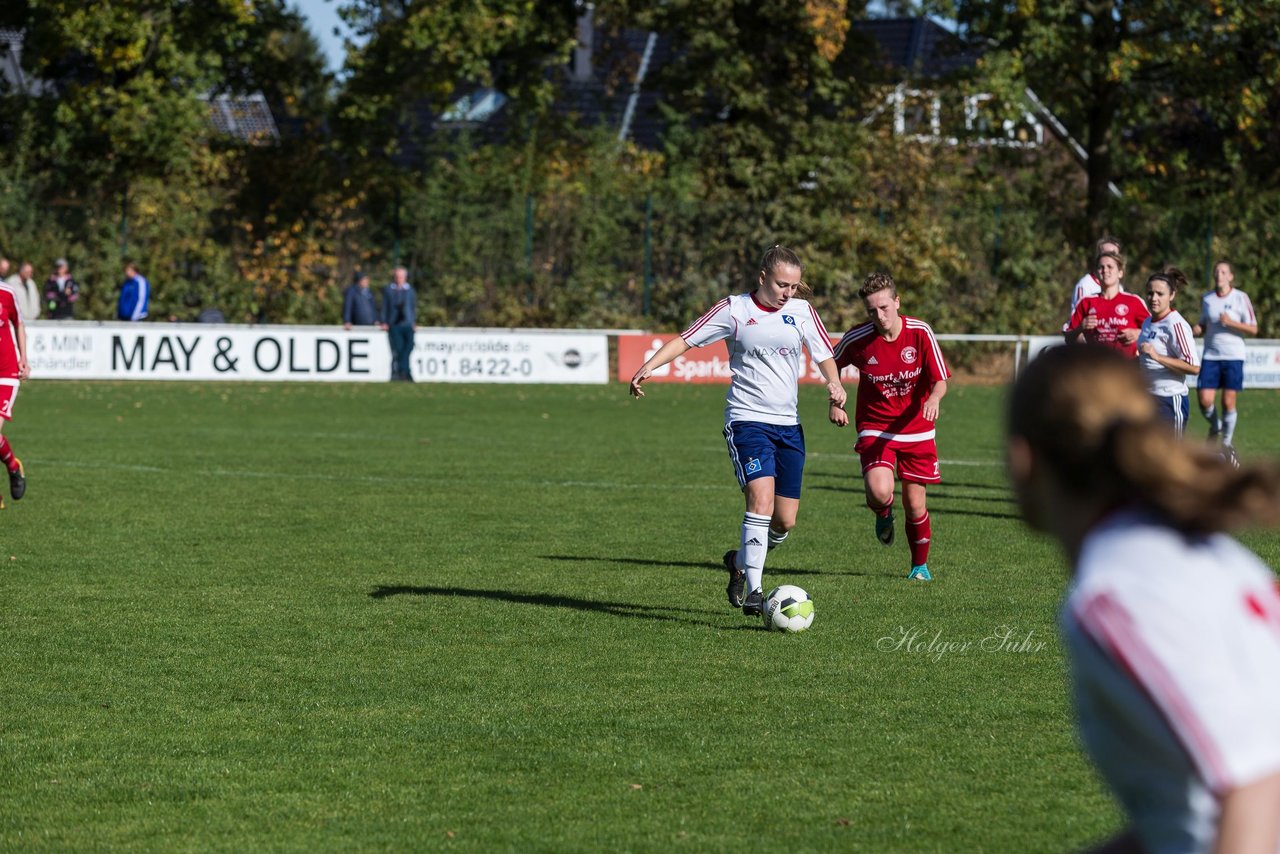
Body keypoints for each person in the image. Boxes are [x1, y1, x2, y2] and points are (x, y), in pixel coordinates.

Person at [1006, 344, 1280, 854]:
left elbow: (1259, 784)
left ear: (1024, 460)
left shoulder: (1116, 596)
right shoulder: (1186, 554)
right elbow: (1185, 813)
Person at [629, 245, 847, 616]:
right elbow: (686, 338)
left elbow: (824, 353)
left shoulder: (802, 311)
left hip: (789, 426)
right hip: (747, 421)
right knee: (760, 500)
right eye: (781, 285)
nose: (787, 293)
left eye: (794, 287)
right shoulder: (734, 309)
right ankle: (757, 593)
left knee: (785, 520)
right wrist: (648, 366)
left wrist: (835, 385)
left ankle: (739, 562)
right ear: (762, 278)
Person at [831, 272, 950, 582]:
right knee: (880, 491)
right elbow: (831, 363)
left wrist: (935, 398)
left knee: (914, 504)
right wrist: (835, 399)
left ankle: (919, 567)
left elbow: (940, 379)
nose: (879, 316)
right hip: (876, 427)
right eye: (872, 310)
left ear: (897, 302)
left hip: (917, 429)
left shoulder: (920, 333)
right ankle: (883, 513)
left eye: (884, 307)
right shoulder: (858, 339)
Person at [1192, 260, 1257, 456]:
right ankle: (1216, 426)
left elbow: (1253, 328)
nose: (1219, 275)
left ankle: (1226, 443)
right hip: (1211, 355)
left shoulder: (1240, 298)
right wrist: (1196, 329)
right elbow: (1204, 323)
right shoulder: (1207, 299)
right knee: (1204, 400)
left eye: (1223, 272)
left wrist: (1231, 322)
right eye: (1216, 271)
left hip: (1233, 356)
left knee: (1228, 402)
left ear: (1231, 277)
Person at [1135, 268, 1199, 436]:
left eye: (1159, 294)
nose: (1153, 298)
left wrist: (1157, 357)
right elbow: (1145, 358)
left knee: (1170, 458)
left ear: (1171, 295)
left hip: (1169, 400)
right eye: (1150, 293)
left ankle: (1222, 458)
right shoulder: (1148, 322)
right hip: (1147, 399)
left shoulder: (1176, 325)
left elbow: (1193, 366)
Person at [1064, 249, 1149, 356]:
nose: (1105, 270)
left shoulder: (1133, 301)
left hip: (1127, 367)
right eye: (1101, 267)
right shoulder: (1086, 302)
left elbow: (1154, 331)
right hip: (1097, 367)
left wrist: (1138, 333)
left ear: (1120, 273)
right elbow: (1068, 339)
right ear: (1096, 272)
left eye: (1110, 267)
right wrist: (1081, 327)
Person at [0, 276, 30, 505]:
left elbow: (18, 322)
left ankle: (13, 467)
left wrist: (24, 359)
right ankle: (12, 465)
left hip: (6, 373)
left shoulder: (7, 292)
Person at [1065, 235, 1122, 330]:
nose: (1109, 258)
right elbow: (1076, 323)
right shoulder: (1085, 285)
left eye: (1114, 254)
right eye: (1106, 254)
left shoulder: (1119, 287)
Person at [380, 266, 416, 381]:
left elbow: (413, 307)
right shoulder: (389, 290)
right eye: (397, 276)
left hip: (407, 324)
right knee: (399, 349)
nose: (399, 279)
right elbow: (384, 307)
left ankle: (404, 372)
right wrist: (384, 321)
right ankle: (403, 373)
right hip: (395, 324)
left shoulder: (410, 291)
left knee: (408, 348)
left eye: (401, 276)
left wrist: (413, 322)